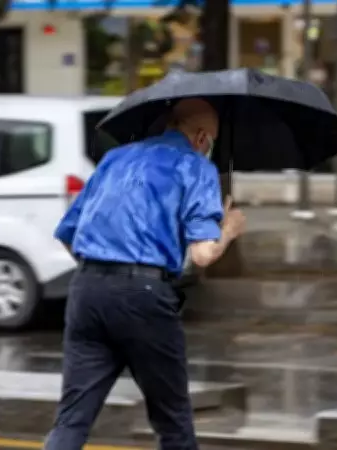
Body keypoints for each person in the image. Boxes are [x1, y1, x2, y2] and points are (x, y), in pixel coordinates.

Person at [45, 98, 246, 450]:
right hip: (144, 294)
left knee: (72, 419)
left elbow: (67, 233)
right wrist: (227, 230)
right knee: (173, 420)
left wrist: (106, 269)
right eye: (211, 142)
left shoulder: (115, 158)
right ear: (202, 137)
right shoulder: (195, 167)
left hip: (87, 288)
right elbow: (202, 255)